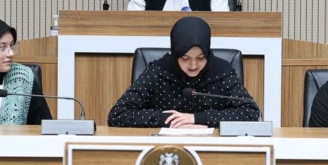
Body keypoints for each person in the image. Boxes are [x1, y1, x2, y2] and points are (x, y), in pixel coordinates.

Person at [108, 17, 259, 128]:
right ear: (176, 54)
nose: (193, 65)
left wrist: (197, 118)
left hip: (213, 148)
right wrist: (172, 120)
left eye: (201, 58)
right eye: (185, 58)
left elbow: (250, 112)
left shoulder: (222, 71)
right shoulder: (158, 71)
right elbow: (118, 114)